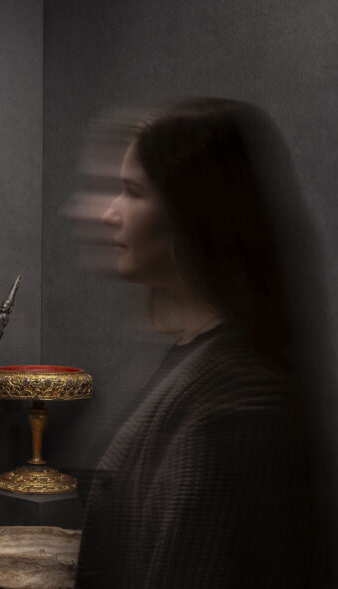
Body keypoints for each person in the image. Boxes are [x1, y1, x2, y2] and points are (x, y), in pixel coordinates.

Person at [71, 97, 327, 588]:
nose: (108, 214)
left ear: (191, 210)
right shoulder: (197, 358)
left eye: (131, 192)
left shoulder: (234, 408)